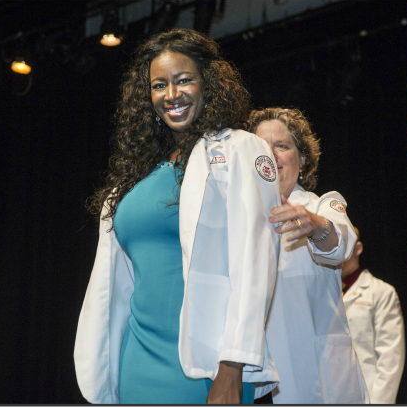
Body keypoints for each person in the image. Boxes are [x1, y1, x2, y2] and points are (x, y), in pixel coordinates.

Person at [75, 29, 281, 405]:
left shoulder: (240, 148)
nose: (171, 95)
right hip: (136, 359)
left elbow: (256, 263)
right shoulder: (138, 174)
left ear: (209, 83)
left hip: (204, 368)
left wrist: (232, 369)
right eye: (159, 85)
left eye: (183, 80)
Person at [249, 107, 369, 404]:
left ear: (302, 159)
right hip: (255, 382)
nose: (272, 155)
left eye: (282, 146)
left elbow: (340, 241)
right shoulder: (240, 221)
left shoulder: (321, 206)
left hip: (318, 381)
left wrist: (315, 226)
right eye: (263, 147)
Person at [341, 226, 405, 404]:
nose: (338, 252)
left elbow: (391, 358)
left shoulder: (382, 292)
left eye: (344, 245)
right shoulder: (322, 294)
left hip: (366, 395)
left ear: (358, 248)